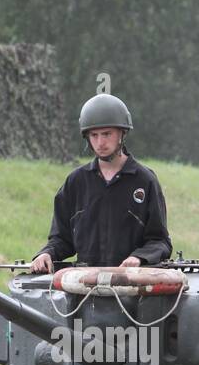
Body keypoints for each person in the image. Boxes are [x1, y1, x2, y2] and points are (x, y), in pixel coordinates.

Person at [30, 93, 171, 273]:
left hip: (133, 286)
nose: (100, 142)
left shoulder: (144, 180)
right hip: (84, 286)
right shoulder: (76, 182)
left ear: (122, 133)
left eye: (107, 134)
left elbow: (160, 241)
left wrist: (139, 257)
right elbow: (62, 239)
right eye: (94, 135)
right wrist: (47, 254)